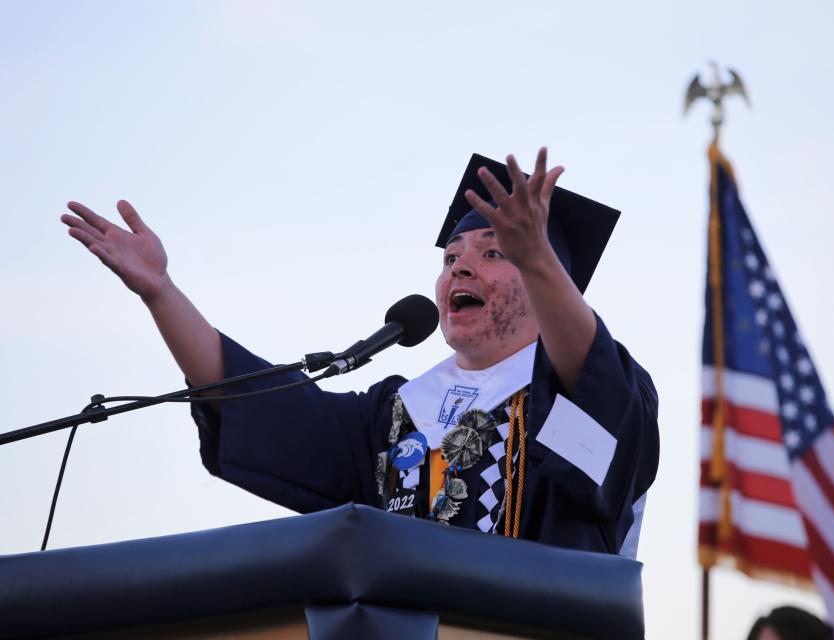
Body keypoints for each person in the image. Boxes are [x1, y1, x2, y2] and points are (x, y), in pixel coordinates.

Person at [61, 148, 659, 556]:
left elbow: (596, 396)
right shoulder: (397, 414)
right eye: (450, 258)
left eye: (493, 252)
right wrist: (163, 295)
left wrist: (536, 256)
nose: (461, 267)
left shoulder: (603, 393)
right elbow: (263, 408)